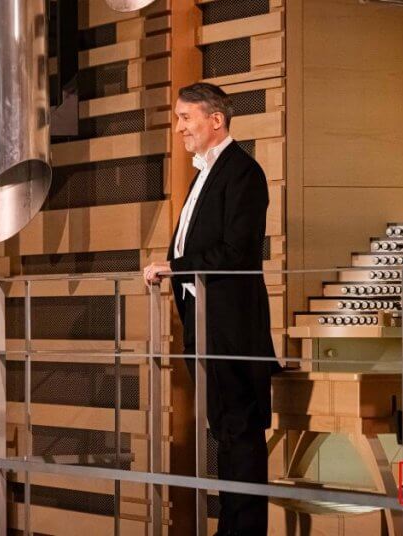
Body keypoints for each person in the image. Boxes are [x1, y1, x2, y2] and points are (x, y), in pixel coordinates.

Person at [143, 82, 281, 535]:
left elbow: (237, 252)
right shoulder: (205, 172)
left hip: (231, 325)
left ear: (215, 120)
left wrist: (174, 266)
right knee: (224, 429)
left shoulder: (243, 172)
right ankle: (230, 529)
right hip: (203, 321)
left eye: (186, 118)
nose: (179, 127)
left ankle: (245, 532)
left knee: (240, 431)